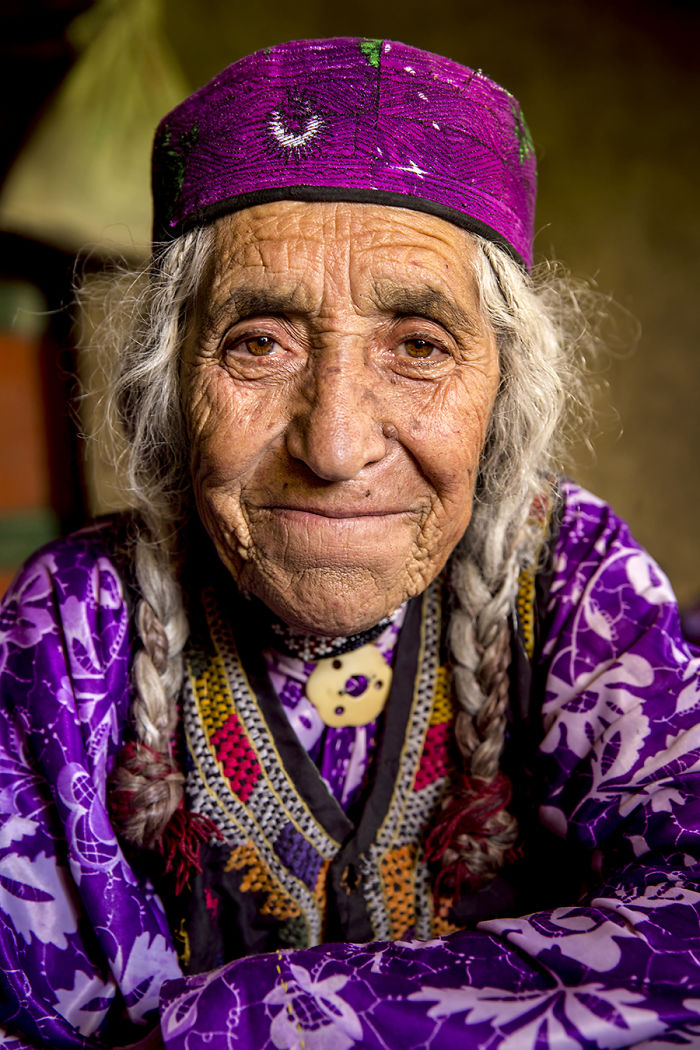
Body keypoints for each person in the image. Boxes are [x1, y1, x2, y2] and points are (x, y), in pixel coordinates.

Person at [1, 36, 699, 1050]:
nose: (331, 446)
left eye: (417, 347)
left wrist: (236, 1027)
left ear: (501, 396)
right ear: (170, 392)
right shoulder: (70, 624)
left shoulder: (575, 575)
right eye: (258, 343)